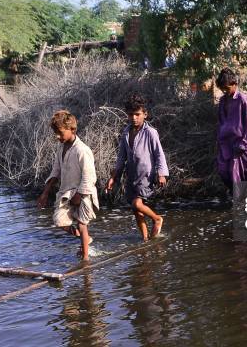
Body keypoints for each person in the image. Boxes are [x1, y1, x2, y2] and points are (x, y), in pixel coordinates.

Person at [37, 110, 98, 261]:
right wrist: (45, 193)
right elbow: (55, 171)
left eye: (60, 132)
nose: (57, 136)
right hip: (66, 192)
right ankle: (86, 240)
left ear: (72, 129)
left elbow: (89, 176)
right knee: (59, 221)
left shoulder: (82, 150)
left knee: (82, 224)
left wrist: (79, 195)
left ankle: (85, 259)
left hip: (83, 193)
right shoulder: (61, 148)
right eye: (55, 133)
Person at [105, 94, 168, 241]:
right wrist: (114, 177)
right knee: (136, 210)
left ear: (145, 114)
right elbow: (121, 158)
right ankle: (145, 239)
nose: (134, 118)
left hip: (146, 176)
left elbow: (159, 154)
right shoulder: (126, 133)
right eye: (131, 114)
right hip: (131, 176)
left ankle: (157, 219)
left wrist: (161, 173)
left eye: (137, 114)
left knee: (137, 203)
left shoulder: (151, 133)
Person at [216, 67, 247, 192]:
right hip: (226, 144)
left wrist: (244, 144)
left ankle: (241, 204)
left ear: (234, 84)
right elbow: (221, 121)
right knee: (223, 171)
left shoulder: (242, 99)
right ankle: (237, 197)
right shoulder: (222, 101)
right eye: (222, 89)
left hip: (240, 145)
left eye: (227, 88)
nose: (225, 91)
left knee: (237, 175)